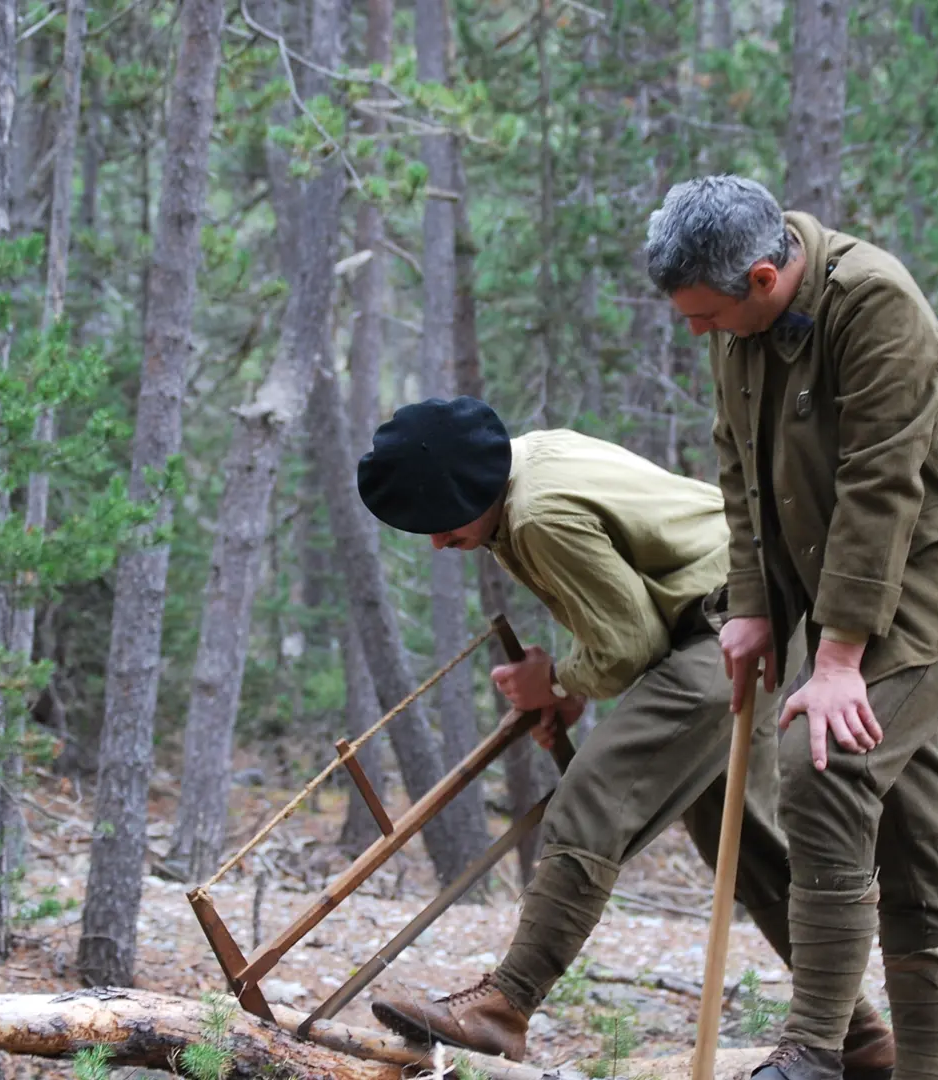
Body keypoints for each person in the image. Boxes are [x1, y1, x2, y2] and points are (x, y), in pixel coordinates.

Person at [355, 396, 894, 1076]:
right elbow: (622, 606)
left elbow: (628, 645)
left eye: (440, 520)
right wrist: (571, 682)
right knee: (748, 844)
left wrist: (557, 681)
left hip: (728, 624)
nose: (436, 541)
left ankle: (502, 1008)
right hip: (746, 613)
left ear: (473, 486)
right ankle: (861, 1039)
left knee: (592, 798)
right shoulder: (531, 463)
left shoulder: (538, 515)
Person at [644, 175, 938, 1080]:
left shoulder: (875, 304)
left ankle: (815, 1050)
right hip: (837, 585)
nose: (699, 334)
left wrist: (834, 664)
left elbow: (880, 486)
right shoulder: (739, 320)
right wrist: (752, 605)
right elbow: (737, 467)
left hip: (932, 575)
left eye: (706, 316)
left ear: (762, 277)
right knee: (906, 827)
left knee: (826, 758)